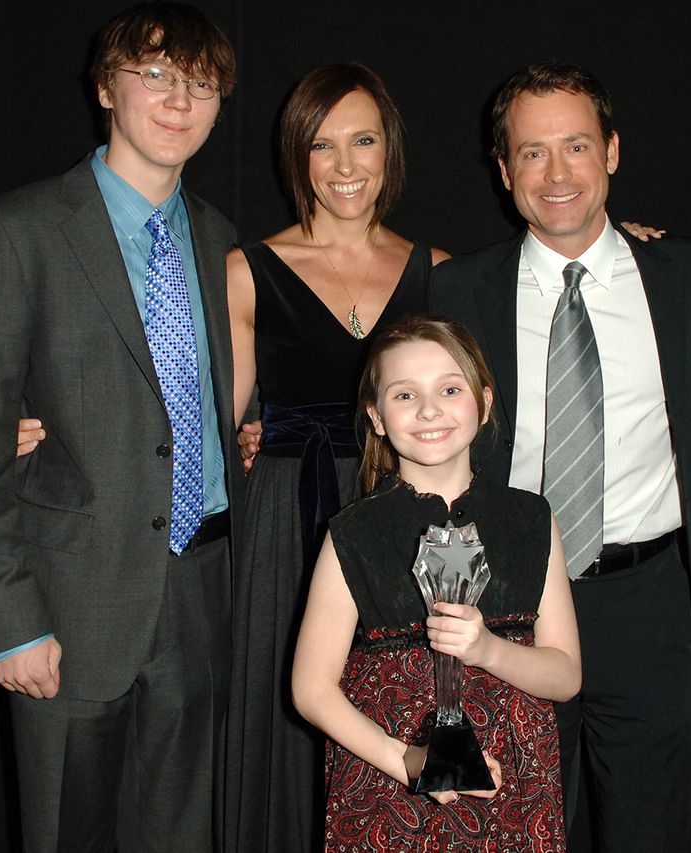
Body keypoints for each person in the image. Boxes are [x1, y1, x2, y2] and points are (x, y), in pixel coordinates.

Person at [0, 3, 241, 850]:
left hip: (200, 594)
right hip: (67, 604)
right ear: (106, 86)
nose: (178, 101)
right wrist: (7, 618)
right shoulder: (17, 230)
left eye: (200, 83)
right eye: (155, 76)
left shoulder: (222, 243)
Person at [428, 63, 691, 851]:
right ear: (503, 169)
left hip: (652, 605)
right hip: (511, 602)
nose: (556, 174)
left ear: (613, 152)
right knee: (509, 827)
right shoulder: (457, 292)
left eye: (577, 146)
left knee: (652, 830)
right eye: (531, 152)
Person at [222, 63, 448, 852]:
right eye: (324, 145)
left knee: (402, 715)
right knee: (290, 725)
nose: (346, 166)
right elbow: (203, 420)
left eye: (364, 141)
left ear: (390, 151)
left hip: (400, 523)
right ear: (297, 154)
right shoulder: (247, 269)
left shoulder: (440, 272)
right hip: (285, 524)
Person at [292, 315, 580, 851]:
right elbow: (311, 689)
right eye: (405, 395)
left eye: (450, 389)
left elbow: (565, 675)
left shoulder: (532, 519)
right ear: (377, 418)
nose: (429, 410)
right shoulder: (353, 533)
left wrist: (490, 650)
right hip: (388, 782)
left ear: (484, 402)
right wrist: (406, 759)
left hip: (514, 786)